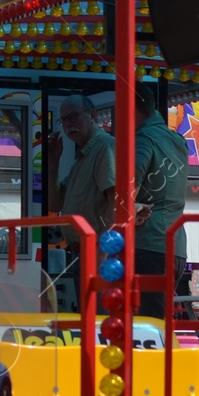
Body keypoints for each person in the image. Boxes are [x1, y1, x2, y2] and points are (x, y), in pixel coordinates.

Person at [133, 80, 189, 320]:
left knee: (148, 324)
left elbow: (128, 188)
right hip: (175, 243)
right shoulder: (177, 141)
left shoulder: (144, 140)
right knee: (158, 319)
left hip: (148, 243)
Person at [49, 94, 117, 267]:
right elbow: (55, 204)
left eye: (73, 116)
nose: (68, 124)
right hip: (83, 250)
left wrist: (102, 251)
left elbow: (118, 202)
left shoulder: (104, 147)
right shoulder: (83, 156)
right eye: (63, 120)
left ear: (92, 115)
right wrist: (52, 164)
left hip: (97, 252)